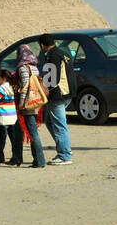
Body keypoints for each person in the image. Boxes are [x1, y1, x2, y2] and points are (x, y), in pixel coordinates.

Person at [38, 34, 74, 163]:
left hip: (58, 95)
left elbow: (53, 79)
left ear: (42, 45)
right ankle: (65, 148)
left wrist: (43, 89)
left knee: (59, 125)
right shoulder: (64, 53)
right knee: (49, 121)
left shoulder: (52, 56)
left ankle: (64, 155)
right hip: (68, 93)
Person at [14, 44, 47, 167]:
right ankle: (17, 157)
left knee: (33, 132)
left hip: (28, 104)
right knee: (19, 130)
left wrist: (21, 104)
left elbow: (25, 87)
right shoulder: (35, 67)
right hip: (35, 103)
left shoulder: (23, 68)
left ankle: (40, 160)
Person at [0, 69, 22, 164]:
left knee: (1, 139)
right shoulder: (13, 87)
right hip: (13, 117)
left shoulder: (1, 89)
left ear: (4, 78)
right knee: (14, 140)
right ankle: (15, 157)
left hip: (3, 117)